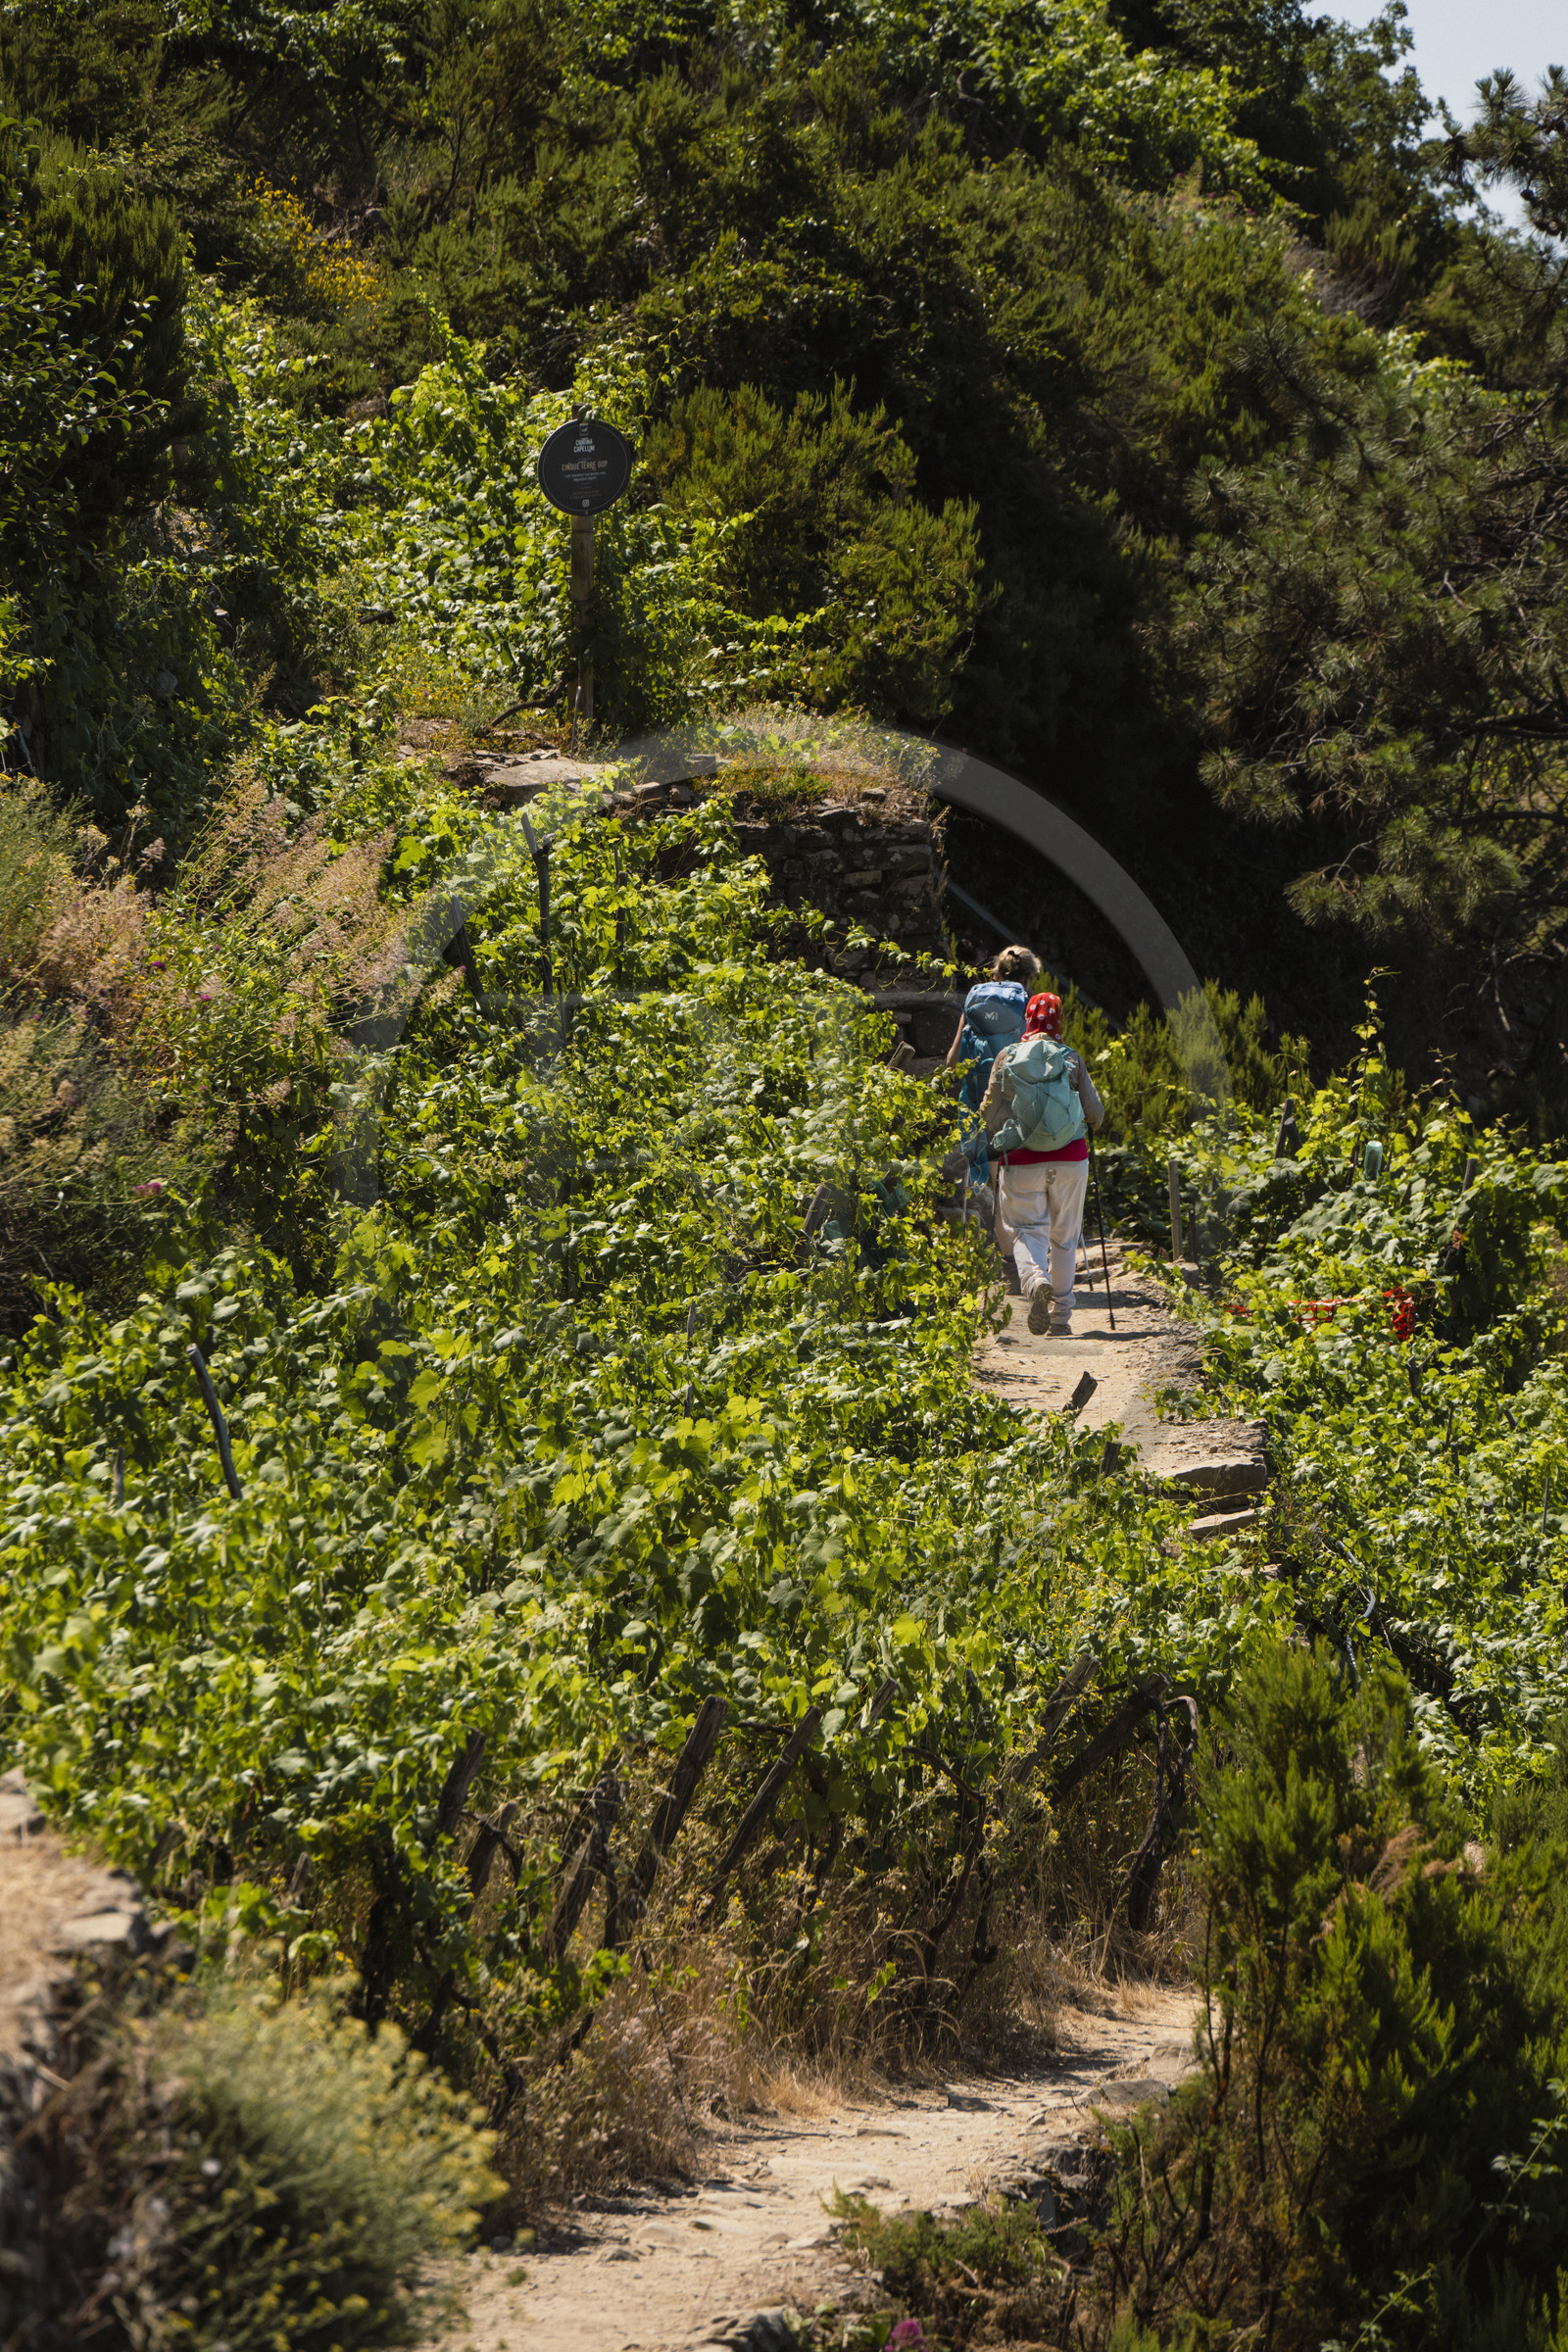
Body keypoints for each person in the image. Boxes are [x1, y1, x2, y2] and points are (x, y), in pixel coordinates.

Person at [980, 990, 1104, 1337]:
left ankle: (1035, 1281)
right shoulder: (1071, 1058)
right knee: (1065, 1238)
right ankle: (1061, 1317)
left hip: (1020, 1160)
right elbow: (1095, 1114)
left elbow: (989, 1114)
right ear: (1058, 1020)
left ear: (1028, 1018)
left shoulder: (1007, 1057)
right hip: (1070, 1160)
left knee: (1024, 1230)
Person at [945, 948, 1040, 1238]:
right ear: (1028, 977)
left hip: (975, 1106)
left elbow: (951, 1063)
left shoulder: (974, 1002)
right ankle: (1018, 1251)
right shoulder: (1029, 1004)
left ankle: (995, 1249)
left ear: (996, 972)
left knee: (989, 1181)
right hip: (1013, 1109)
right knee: (1016, 1185)